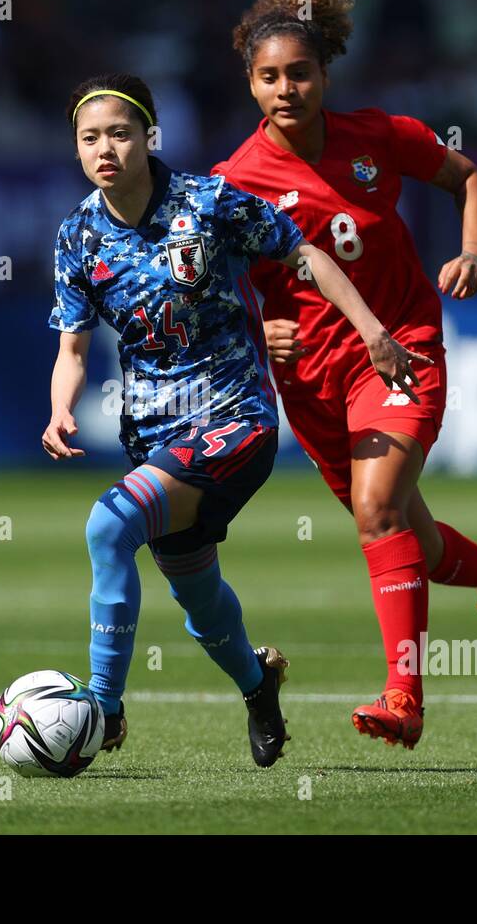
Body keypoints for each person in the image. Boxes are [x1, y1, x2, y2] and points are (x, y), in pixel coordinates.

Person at [43, 72, 427, 766]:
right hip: (156, 436)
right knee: (197, 597)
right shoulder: (76, 237)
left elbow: (303, 251)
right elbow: (71, 346)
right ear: (76, 147)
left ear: (148, 137)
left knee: (108, 525)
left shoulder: (206, 201)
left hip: (236, 417)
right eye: (90, 137)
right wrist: (59, 407)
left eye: (120, 134)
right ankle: (258, 687)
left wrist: (370, 328)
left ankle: (103, 706)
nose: (106, 149)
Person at [213, 0, 477, 750]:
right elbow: (210, 292)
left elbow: (468, 178)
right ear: (250, 83)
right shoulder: (231, 184)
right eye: (268, 76)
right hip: (312, 384)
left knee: (377, 509)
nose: (285, 89)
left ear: (324, 74)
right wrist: (263, 332)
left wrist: (476, 251)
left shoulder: (381, 136)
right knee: (408, 541)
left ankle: (405, 696)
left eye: (299, 73)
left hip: (399, 349)